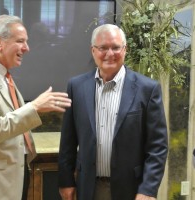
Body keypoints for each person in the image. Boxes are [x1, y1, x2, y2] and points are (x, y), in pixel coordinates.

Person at [0, 15, 71, 200]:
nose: (27, 48)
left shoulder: (3, 75)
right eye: (20, 41)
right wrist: (34, 107)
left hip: (12, 174)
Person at [58, 24, 168, 200]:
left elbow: (157, 147)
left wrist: (148, 189)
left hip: (131, 190)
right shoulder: (76, 87)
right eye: (103, 48)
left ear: (125, 49)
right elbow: (67, 142)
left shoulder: (148, 89)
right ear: (93, 50)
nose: (110, 54)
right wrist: (66, 181)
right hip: (87, 188)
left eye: (116, 47)